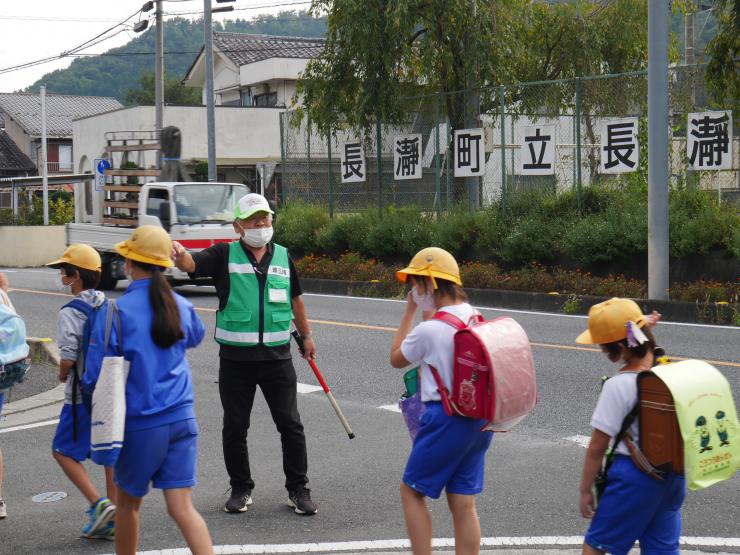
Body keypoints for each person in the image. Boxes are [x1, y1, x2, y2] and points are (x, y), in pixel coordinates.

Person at [172, 192, 318, 516]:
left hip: (278, 357)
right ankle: (241, 488)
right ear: (239, 226)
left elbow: (296, 299)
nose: (261, 224)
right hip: (237, 360)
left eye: (265, 218)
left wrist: (306, 336)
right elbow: (192, 264)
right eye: (253, 220)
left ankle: (299, 489)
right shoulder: (225, 254)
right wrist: (180, 255)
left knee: (291, 425)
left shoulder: (282, 255)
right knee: (235, 427)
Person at [82, 225, 213, 555]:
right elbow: (195, 338)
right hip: (182, 418)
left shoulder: (116, 311)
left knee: (127, 506)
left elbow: (94, 374)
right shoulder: (180, 304)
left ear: (129, 263)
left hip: (141, 423)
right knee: (182, 508)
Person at [389, 247, 493, 555]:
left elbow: (396, 358)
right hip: (479, 419)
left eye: (415, 284)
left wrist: (409, 312)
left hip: (445, 418)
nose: (412, 290)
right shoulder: (474, 315)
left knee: (411, 493)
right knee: (463, 502)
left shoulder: (430, 330)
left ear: (429, 284)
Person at [576, 298, 685, 555]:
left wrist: (584, 490)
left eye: (605, 347)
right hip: (672, 475)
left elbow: (597, 447)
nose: (603, 351)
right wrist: (642, 324)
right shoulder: (667, 370)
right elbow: (636, 338)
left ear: (621, 348)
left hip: (634, 479)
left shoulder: (618, 386)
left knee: (595, 548)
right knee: (662, 549)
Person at [45, 245, 118, 540]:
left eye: (64, 270)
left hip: (81, 394)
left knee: (61, 450)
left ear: (73, 276)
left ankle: (99, 504)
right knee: (109, 453)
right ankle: (116, 514)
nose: (61, 275)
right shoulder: (110, 304)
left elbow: (69, 357)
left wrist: (62, 374)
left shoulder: (70, 312)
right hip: (111, 389)